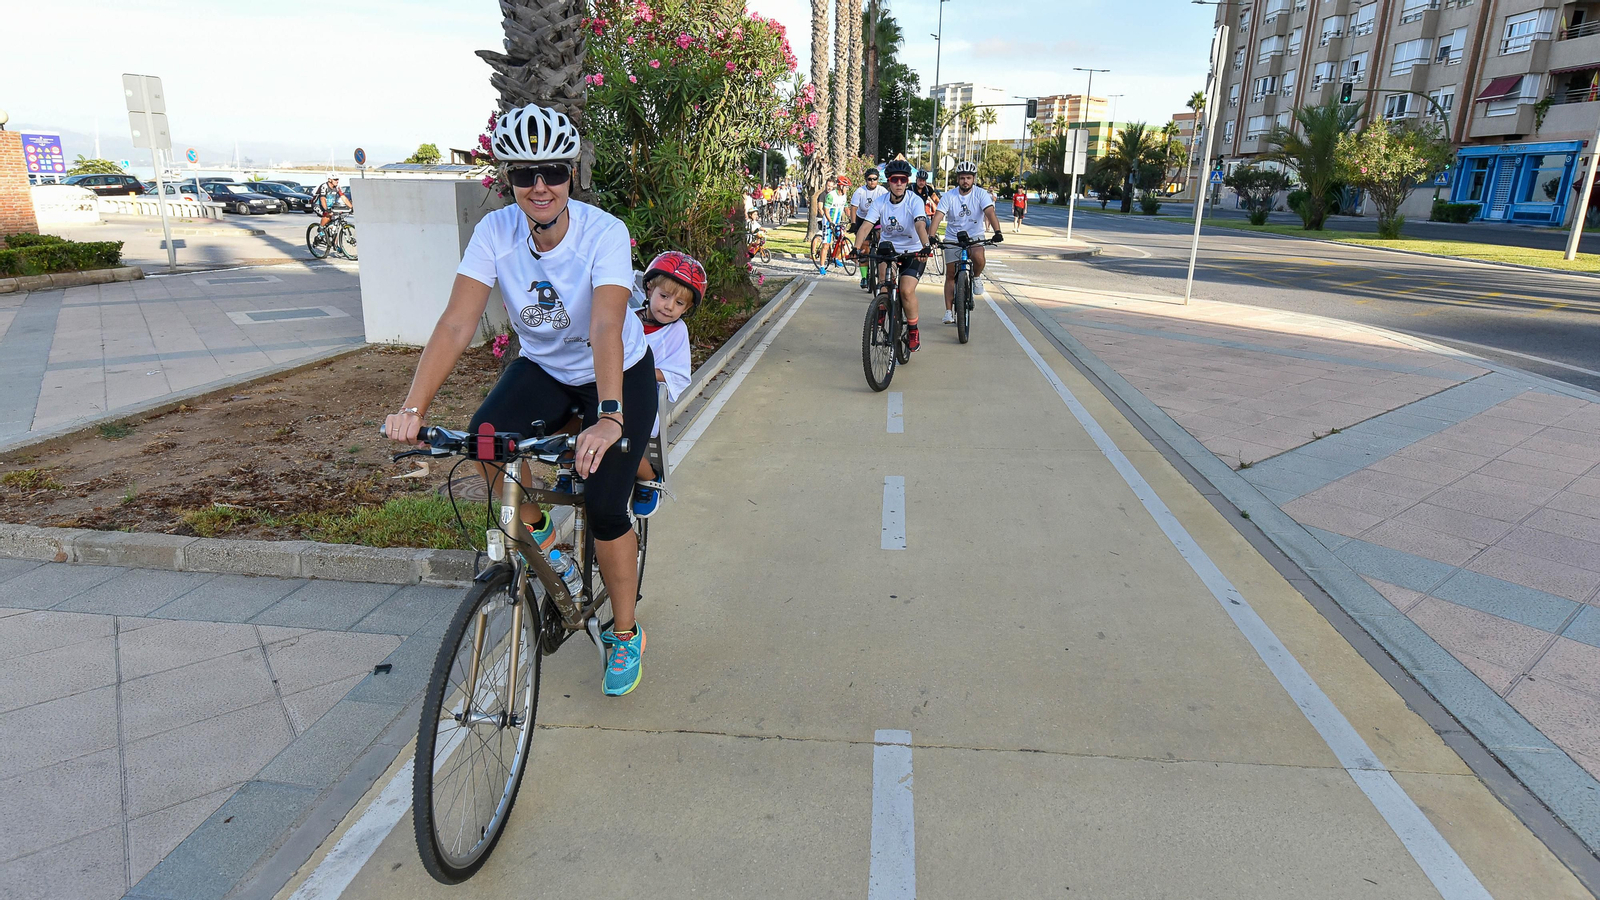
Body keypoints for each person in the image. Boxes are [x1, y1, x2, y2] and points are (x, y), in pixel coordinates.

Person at [382, 103, 655, 697]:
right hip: (547, 369)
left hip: (617, 373)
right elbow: (458, 322)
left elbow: (608, 326)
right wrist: (413, 409)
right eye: (524, 172)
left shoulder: (603, 233)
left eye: (553, 171)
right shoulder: (494, 233)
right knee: (484, 441)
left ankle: (627, 632)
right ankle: (549, 546)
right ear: (507, 178)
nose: (539, 185)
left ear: (571, 176)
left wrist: (609, 417)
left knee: (608, 508)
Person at [628, 251, 703, 518]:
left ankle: (648, 477)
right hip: (604, 394)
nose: (669, 306)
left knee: (621, 443)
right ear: (649, 288)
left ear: (687, 308)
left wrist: (639, 371)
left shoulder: (676, 332)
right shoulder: (628, 318)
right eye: (664, 296)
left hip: (640, 401)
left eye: (679, 302)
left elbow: (678, 375)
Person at [854, 159, 932, 352]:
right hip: (889, 249)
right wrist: (856, 249)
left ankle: (913, 330)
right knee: (883, 284)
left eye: (903, 180)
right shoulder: (880, 201)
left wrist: (926, 246)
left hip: (913, 250)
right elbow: (866, 226)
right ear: (888, 181)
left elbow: (920, 225)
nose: (899, 184)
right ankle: (881, 308)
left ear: (907, 181)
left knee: (906, 291)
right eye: (894, 180)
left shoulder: (914, 200)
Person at [929, 160, 1003, 325]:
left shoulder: (981, 194)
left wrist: (997, 231)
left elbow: (989, 212)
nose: (965, 181)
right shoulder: (949, 196)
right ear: (958, 179)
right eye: (962, 178)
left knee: (978, 256)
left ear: (974, 178)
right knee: (950, 275)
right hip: (952, 237)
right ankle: (948, 311)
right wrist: (931, 235)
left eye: (969, 178)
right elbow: (938, 216)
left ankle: (976, 277)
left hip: (974, 235)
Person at [850, 167, 887, 289]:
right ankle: (864, 277)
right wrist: (854, 223)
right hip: (863, 219)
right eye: (869, 179)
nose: (872, 181)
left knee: (881, 237)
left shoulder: (882, 191)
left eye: (875, 179)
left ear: (878, 179)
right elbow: (854, 208)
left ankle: (880, 259)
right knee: (864, 248)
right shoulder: (860, 191)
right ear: (866, 180)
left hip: (877, 219)